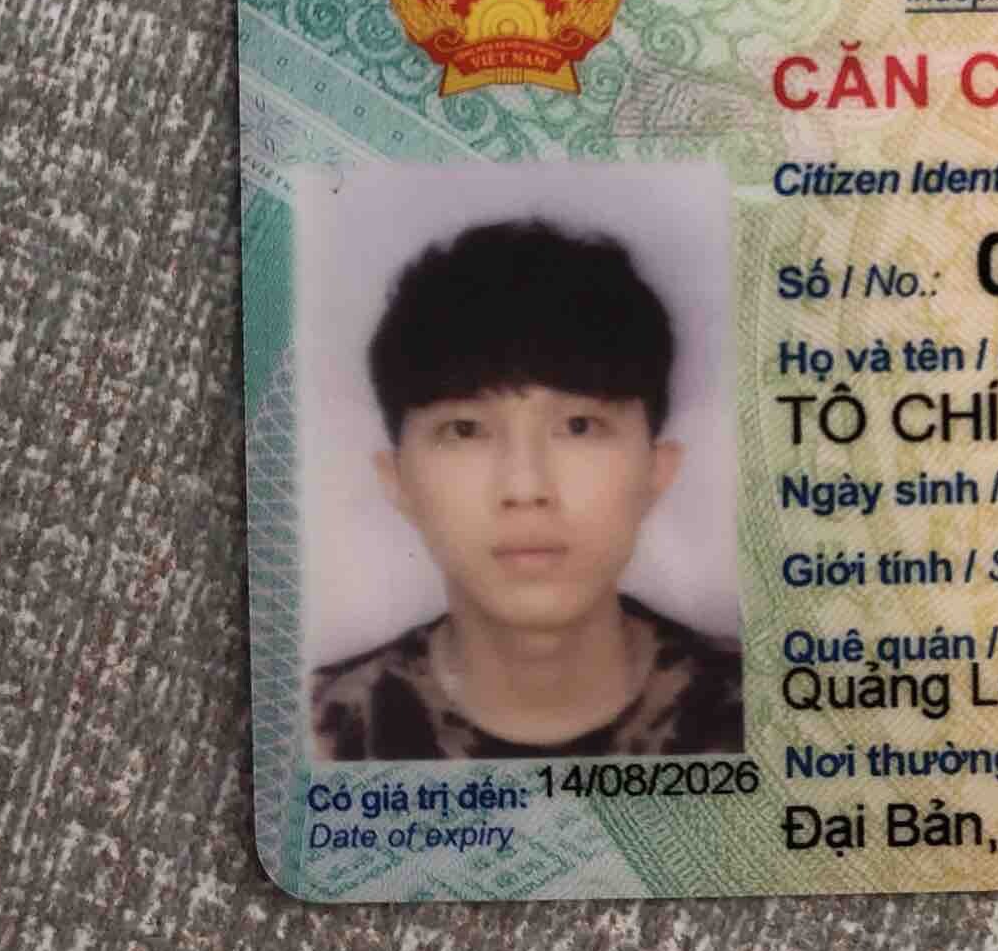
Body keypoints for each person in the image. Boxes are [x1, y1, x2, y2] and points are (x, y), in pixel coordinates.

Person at [310, 218, 743, 759]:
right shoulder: (313, 737)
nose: (525, 487)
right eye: (465, 430)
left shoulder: (773, 717)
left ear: (657, 470)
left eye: (579, 427)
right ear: (397, 482)